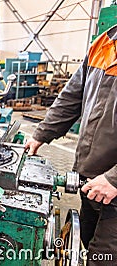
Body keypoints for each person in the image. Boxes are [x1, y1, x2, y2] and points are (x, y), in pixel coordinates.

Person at [25, 25, 117, 265]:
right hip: (92, 181)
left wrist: (115, 179)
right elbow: (71, 96)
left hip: (112, 185)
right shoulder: (104, 44)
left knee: (103, 258)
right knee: (87, 239)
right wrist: (41, 134)